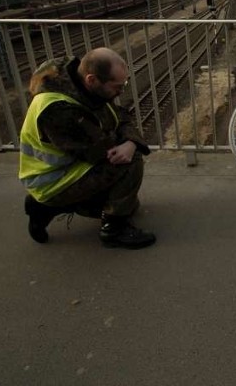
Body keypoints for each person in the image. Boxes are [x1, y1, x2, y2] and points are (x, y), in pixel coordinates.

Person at [18, 47, 156, 249]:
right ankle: (113, 230)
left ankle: (45, 208)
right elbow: (103, 151)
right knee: (128, 161)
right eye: (117, 86)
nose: (120, 92)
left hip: (71, 168)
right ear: (92, 79)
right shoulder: (58, 110)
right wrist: (130, 144)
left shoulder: (85, 88)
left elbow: (120, 116)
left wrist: (130, 141)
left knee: (129, 203)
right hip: (52, 181)